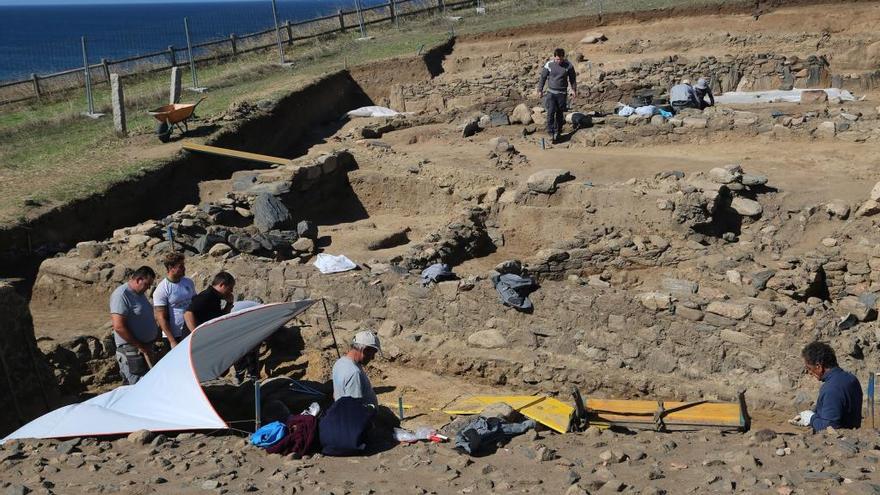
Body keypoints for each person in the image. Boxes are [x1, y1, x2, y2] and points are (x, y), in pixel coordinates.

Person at [791, 341, 862, 432]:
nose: (809, 372)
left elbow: (829, 427)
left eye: (809, 368)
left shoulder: (831, 389)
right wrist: (812, 413)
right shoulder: (851, 379)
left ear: (818, 366)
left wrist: (811, 419)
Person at [110, 266, 159, 385]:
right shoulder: (121, 295)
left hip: (144, 348)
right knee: (136, 387)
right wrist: (140, 345)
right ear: (139, 279)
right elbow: (118, 326)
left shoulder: (139, 293)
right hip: (131, 351)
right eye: (147, 284)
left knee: (147, 384)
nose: (148, 288)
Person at [153, 252, 196, 350]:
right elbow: (161, 317)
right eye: (181, 266)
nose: (184, 268)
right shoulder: (162, 289)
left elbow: (194, 303)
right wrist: (172, 341)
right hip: (175, 335)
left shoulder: (188, 282)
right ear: (170, 268)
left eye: (183, 265)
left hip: (190, 330)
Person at [536, 47, 578, 144]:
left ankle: (558, 132)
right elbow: (543, 77)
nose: (558, 61)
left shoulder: (568, 66)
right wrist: (540, 90)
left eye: (560, 59)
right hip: (551, 93)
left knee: (559, 114)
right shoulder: (549, 64)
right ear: (554, 57)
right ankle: (551, 133)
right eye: (557, 59)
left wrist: (574, 90)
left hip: (562, 94)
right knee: (550, 113)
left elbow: (573, 79)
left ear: (564, 57)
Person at [332, 331, 381, 406]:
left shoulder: (339, 363)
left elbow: (336, 394)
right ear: (365, 350)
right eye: (373, 353)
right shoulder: (354, 373)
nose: (373, 358)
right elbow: (354, 408)